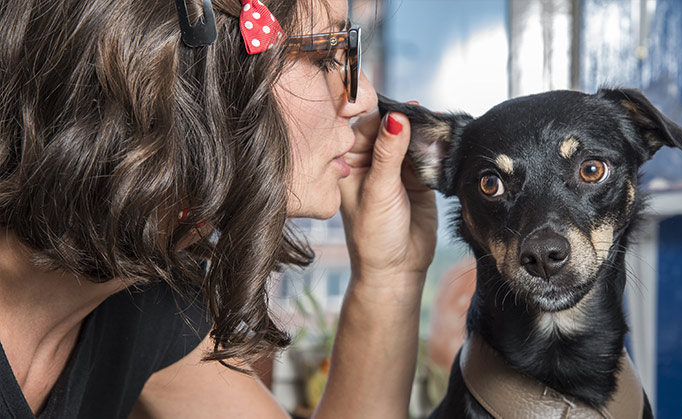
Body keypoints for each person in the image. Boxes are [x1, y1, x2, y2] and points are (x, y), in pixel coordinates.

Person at [0, 0, 436, 417]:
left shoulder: (146, 299)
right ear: (186, 70)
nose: (364, 99)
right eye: (325, 56)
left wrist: (389, 273)